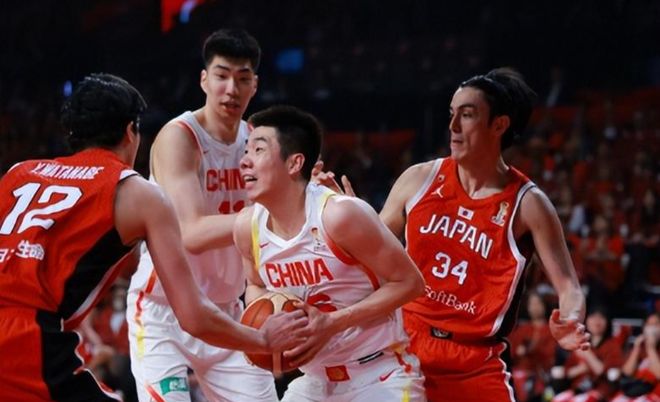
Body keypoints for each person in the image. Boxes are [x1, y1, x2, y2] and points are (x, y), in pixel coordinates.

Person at [0, 74, 307, 402]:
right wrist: (262, 340)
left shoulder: (18, 172)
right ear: (131, 132)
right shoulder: (137, 192)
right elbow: (193, 317)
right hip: (24, 339)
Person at [374, 67, 591, 401]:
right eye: (451, 114)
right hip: (404, 345)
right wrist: (344, 217)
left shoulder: (529, 205)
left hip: (475, 360)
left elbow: (569, 288)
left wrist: (571, 320)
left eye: (467, 115)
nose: (452, 126)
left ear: (499, 125)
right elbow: (367, 255)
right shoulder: (418, 179)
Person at [125, 29, 283, 402]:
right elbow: (191, 233)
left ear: (255, 85)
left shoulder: (259, 143)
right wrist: (266, 215)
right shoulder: (179, 138)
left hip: (227, 314)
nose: (231, 89)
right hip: (164, 310)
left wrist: (311, 196)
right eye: (222, 76)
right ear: (204, 80)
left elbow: (286, 214)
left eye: (242, 78)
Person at [233, 105, 427, 402]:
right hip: (314, 381)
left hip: (378, 375)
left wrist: (334, 322)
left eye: (258, 150)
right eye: (246, 151)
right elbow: (255, 285)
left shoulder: (339, 215)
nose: (245, 161)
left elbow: (411, 283)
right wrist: (268, 320)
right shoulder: (247, 227)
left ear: (294, 163)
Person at [551, 306, 623, 402]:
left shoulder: (612, 345)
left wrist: (588, 355)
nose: (597, 321)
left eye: (601, 317)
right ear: (586, 320)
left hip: (600, 392)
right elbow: (567, 373)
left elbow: (604, 372)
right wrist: (582, 369)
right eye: (593, 316)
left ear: (607, 321)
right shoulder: (579, 342)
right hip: (576, 390)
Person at [509, 292, 556, 402]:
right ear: (528, 307)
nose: (535, 307)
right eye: (532, 304)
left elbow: (551, 356)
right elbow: (509, 352)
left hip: (541, 376)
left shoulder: (551, 330)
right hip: (518, 374)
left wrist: (533, 350)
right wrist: (517, 351)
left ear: (544, 305)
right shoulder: (521, 330)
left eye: (538, 303)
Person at [611, 311, 660, 402]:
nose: (652, 328)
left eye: (656, 324)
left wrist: (651, 348)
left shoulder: (652, 348)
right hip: (635, 390)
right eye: (649, 325)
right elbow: (627, 372)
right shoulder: (640, 347)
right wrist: (636, 348)